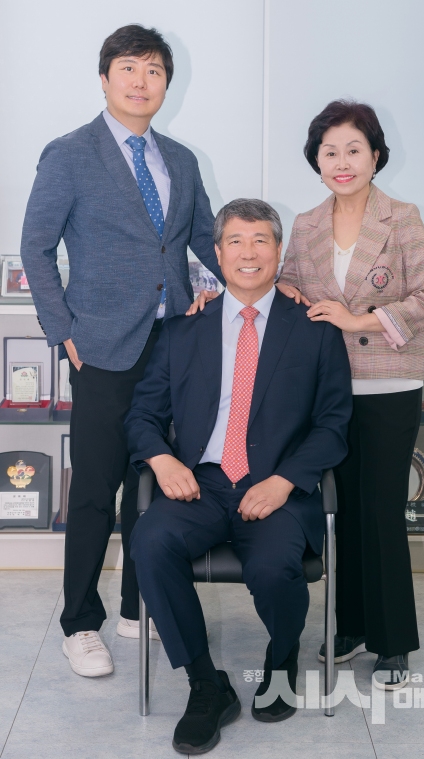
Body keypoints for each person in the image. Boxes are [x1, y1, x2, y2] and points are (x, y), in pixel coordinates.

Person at [20, 24, 224, 678]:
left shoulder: (181, 160)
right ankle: (80, 623)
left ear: (167, 84)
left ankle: (140, 605)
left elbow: (206, 240)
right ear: (105, 78)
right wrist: (62, 328)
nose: (141, 81)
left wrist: (245, 284)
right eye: (129, 68)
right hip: (102, 348)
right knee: (95, 490)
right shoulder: (69, 154)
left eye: (154, 71)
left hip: (174, 347)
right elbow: (35, 247)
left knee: (156, 483)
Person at [125, 199, 352, 754]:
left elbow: (333, 426)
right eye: (235, 241)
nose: (248, 253)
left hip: (276, 487)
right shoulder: (183, 331)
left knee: (274, 567)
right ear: (218, 252)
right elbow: (142, 415)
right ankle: (206, 684)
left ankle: (281, 659)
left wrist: (285, 481)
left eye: (260, 240)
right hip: (201, 484)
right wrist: (162, 460)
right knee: (149, 541)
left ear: (279, 250)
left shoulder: (315, 332)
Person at [277, 99, 424, 689]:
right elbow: (288, 284)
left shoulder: (402, 217)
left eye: (353, 149)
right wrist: (283, 293)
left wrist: (359, 320)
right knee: (338, 510)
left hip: (389, 383)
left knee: (381, 511)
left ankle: (392, 641)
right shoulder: (305, 224)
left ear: (375, 155)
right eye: (330, 152)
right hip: (327, 389)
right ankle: (348, 625)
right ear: (316, 161)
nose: (342, 162)